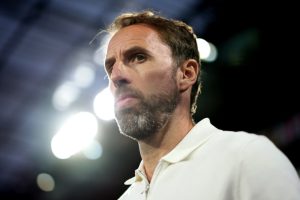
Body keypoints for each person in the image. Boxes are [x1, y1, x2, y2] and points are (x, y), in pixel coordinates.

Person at [100, 10, 300, 200]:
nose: (116, 76)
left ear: (186, 74)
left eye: (138, 57)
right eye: (110, 67)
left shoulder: (247, 157)